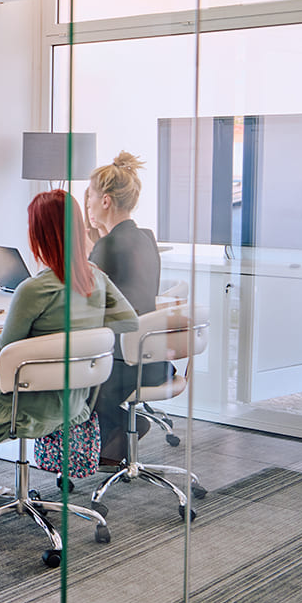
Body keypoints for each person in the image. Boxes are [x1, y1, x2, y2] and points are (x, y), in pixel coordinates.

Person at [0, 189, 138, 504]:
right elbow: (129, 323)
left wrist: (39, 344)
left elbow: (6, 351)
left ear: (38, 235)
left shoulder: (34, 289)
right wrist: (82, 333)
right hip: (75, 398)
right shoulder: (96, 279)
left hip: (30, 403)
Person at [85, 151, 169, 464]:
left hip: (122, 367)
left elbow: (84, 303)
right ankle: (118, 435)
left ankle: (121, 427)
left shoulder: (107, 246)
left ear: (106, 201)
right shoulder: (146, 238)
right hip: (152, 360)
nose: (89, 204)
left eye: (91, 196)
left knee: (68, 378)